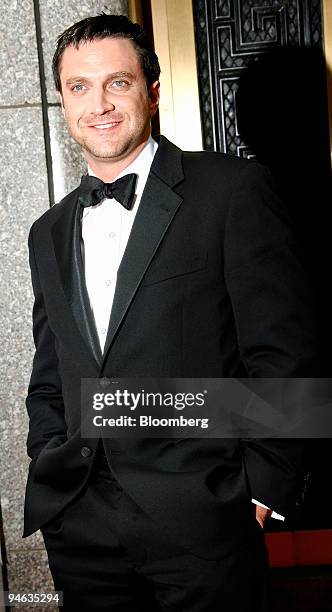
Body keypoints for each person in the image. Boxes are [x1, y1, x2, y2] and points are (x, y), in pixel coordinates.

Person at [23, 13, 317, 612]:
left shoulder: (233, 191)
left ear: (151, 92)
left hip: (205, 523)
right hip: (80, 527)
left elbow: (286, 354)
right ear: (63, 102)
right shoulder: (46, 232)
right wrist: (48, 452)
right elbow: (51, 369)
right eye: (79, 87)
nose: (98, 103)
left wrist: (263, 489)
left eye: (118, 83)